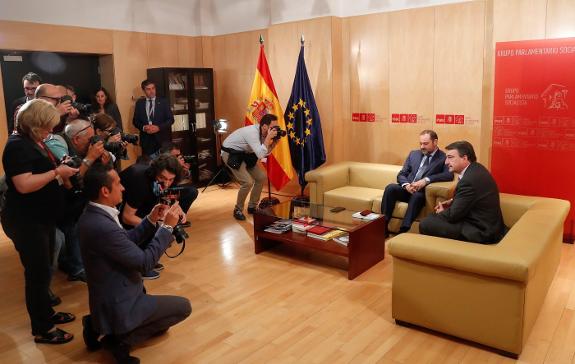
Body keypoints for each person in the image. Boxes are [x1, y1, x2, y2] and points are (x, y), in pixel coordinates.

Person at [78, 162, 191, 363]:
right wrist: (166, 228)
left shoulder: (95, 214)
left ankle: (96, 324)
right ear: (105, 191)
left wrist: (150, 219)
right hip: (120, 301)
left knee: (161, 324)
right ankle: (119, 341)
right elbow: (145, 262)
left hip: (109, 296)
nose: (123, 188)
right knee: (183, 307)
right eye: (119, 183)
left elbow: (124, 242)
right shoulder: (101, 225)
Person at [1, 99, 79, 344]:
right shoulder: (16, 146)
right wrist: (57, 173)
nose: (50, 132)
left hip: (40, 217)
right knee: (37, 276)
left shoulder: (31, 141)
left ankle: (47, 314)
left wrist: (59, 168)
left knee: (44, 273)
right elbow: (23, 185)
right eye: (47, 127)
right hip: (26, 221)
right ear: (34, 124)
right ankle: (43, 329)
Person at [44, 118, 111, 282]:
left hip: (77, 201)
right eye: (90, 140)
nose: (92, 143)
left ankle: (86, 260)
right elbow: (73, 182)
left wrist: (102, 162)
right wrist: (90, 157)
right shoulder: (62, 151)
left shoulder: (81, 151)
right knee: (74, 221)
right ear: (76, 139)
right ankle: (76, 267)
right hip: (59, 205)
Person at [419, 141, 507, 244]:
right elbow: (473, 198)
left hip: (482, 231)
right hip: (490, 225)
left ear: (464, 158)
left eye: (450, 157)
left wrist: (442, 212)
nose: (446, 162)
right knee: (432, 218)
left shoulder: (468, 180)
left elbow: (453, 216)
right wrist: (453, 201)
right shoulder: (477, 168)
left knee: (426, 223)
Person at [120, 154, 192, 279]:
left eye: (170, 179)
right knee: (152, 225)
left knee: (155, 221)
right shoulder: (140, 180)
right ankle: (140, 264)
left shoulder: (168, 179)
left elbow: (167, 197)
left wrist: (178, 210)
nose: (166, 183)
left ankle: (147, 259)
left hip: (140, 199)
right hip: (116, 206)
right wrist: (159, 228)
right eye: (162, 178)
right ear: (154, 172)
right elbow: (127, 217)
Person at [381, 130, 453, 234]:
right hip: (407, 189)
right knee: (390, 188)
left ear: (435, 142)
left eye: (425, 143)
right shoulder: (413, 154)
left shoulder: (443, 158)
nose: (422, 147)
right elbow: (402, 174)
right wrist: (406, 185)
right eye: (420, 143)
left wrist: (426, 180)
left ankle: (403, 230)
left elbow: (448, 175)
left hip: (421, 192)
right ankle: (383, 227)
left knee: (417, 196)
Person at [221, 114, 280, 221]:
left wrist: (274, 143)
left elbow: (265, 153)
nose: (275, 130)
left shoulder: (264, 133)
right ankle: (238, 209)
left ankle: (252, 206)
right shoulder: (252, 133)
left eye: (276, 127)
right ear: (264, 126)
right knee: (247, 182)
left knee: (261, 177)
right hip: (231, 154)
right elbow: (261, 155)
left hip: (246, 154)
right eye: (273, 127)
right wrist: (268, 139)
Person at [132, 79, 174, 157]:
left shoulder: (163, 102)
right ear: (143, 90)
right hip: (146, 141)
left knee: (163, 166)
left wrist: (158, 127)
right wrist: (144, 127)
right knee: (149, 167)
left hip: (162, 141)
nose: (151, 91)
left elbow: (171, 120)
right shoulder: (140, 103)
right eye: (148, 89)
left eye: (153, 88)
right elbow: (135, 121)